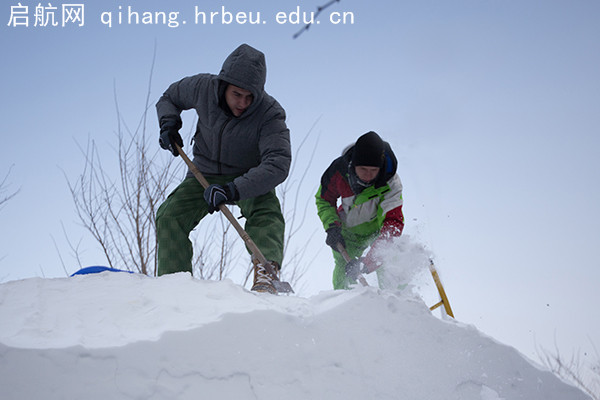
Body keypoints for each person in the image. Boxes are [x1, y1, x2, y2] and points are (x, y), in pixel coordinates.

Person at [155, 43, 291, 294]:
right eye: (237, 94)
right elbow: (169, 97)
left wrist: (232, 190)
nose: (243, 103)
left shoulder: (270, 113)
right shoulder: (202, 87)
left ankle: (267, 276)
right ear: (223, 85)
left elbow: (278, 163)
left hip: (247, 176)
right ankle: (173, 285)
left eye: (250, 97)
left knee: (266, 212)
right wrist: (168, 123)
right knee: (169, 216)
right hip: (204, 171)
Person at [315, 131, 404, 289]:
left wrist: (367, 264)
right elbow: (324, 200)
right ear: (353, 165)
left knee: (389, 260)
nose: (368, 175)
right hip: (348, 230)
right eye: (363, 169)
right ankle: (343, 302)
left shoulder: (390, 181)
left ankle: (394, 300)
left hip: (378, 230)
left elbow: (392, 223)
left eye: (373, 170)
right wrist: (332, 227)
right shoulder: (338, 172)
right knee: (345, 269)